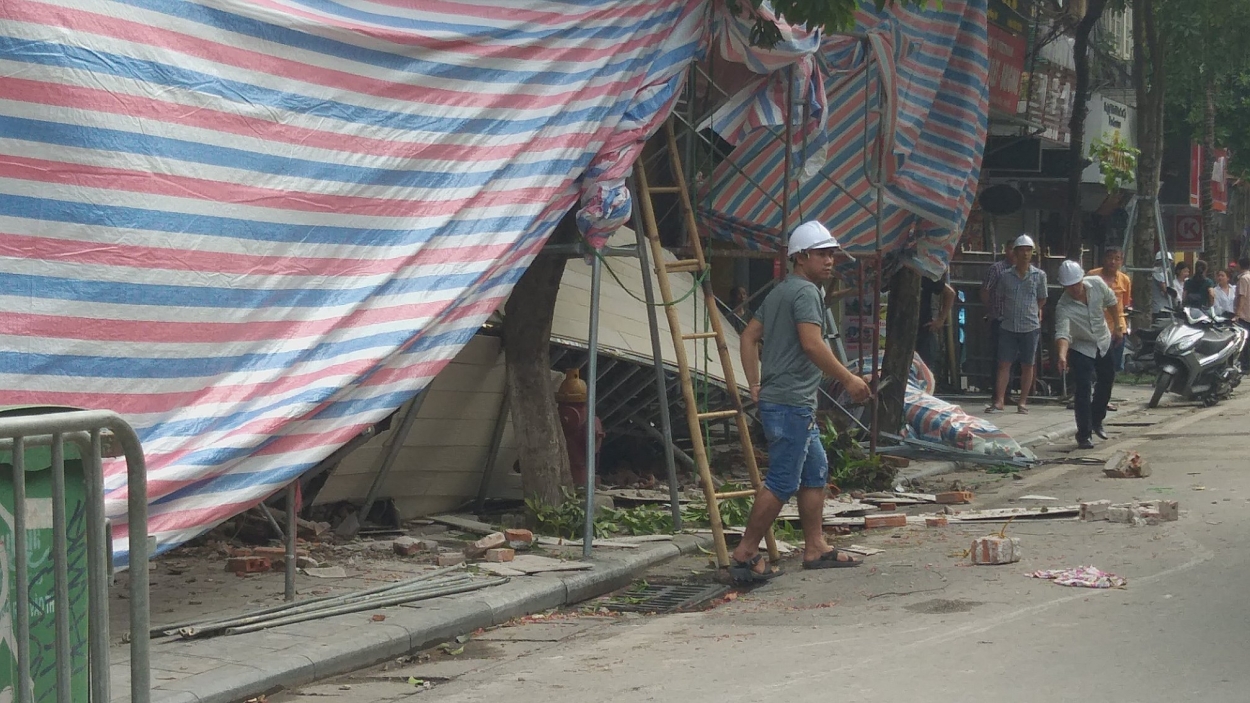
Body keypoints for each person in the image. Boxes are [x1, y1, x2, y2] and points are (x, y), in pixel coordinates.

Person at [734, 220, 872, 582]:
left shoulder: (781, 291)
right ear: (801, 257)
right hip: (791, 403)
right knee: (782, 480)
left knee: (815, 471)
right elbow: (812, 344)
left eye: (831, 254)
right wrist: (849, 378)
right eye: (823, 254)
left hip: (788, 402)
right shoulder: (807, 293)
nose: (830, 261)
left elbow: (748, 337)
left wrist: (754, 383)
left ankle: (815, 547)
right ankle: (745, 554)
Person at [1054, 260, 1120, 450]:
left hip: (1102, 340)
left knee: (1107, 380)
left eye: (1076, 283)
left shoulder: (1097, 284)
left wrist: (1118, 326)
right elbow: (1063, 333)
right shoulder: (1063, 306)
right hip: (1081, 346)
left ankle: (1097, 419)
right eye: (1069, 286)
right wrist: (1062, 355)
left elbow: (1112, 302)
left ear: (1082, 279)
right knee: (1083, 388)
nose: (1075, 289)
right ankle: (1084, 433)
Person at [985, 234, 1048, 414]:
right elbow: (1000, 296)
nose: (1025, 255)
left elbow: (1042, 298)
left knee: (1027, 364)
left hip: (1030, 326)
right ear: (1016, 253)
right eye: (1022, 251)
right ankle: (999, 401)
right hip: (1008, 325)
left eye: (1029, 251)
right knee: (1004, 363)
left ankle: (1023, 402)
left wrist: (1032, 310)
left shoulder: (1039, 275)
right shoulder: (1005, 276)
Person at [1088, 247, 1131, 374]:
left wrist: (1119, 328)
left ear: (1121, 262)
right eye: (1109, 258)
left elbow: (1125, 303)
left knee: (1113, 366)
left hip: (1117, 328)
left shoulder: (1125, 280)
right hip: (1095, 326)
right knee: (1094, 363)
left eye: (1116, 259)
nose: (1112, 262)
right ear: (1103, 259)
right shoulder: (1092, 276)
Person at [980, 250, 1015, 403]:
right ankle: (997, 393)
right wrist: (991, 309)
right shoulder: (997, 269)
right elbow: (985, 290)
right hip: (999, 318)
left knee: (1013, 357)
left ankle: (1008, 391)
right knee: (999, 358)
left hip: (1016, 320)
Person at [917, 273, 956, 372]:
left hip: (923, 331)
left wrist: (941, 320)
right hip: (898, 332)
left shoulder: (923, 275)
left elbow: (950, 293)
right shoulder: (894, 274)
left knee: (925, 371)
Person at [1234, 256, 1250, 368]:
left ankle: (1245, 365)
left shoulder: (1244, 278)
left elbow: (1242, 297)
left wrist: (1237, 314)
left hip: (1244, 315)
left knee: (1244, 341)